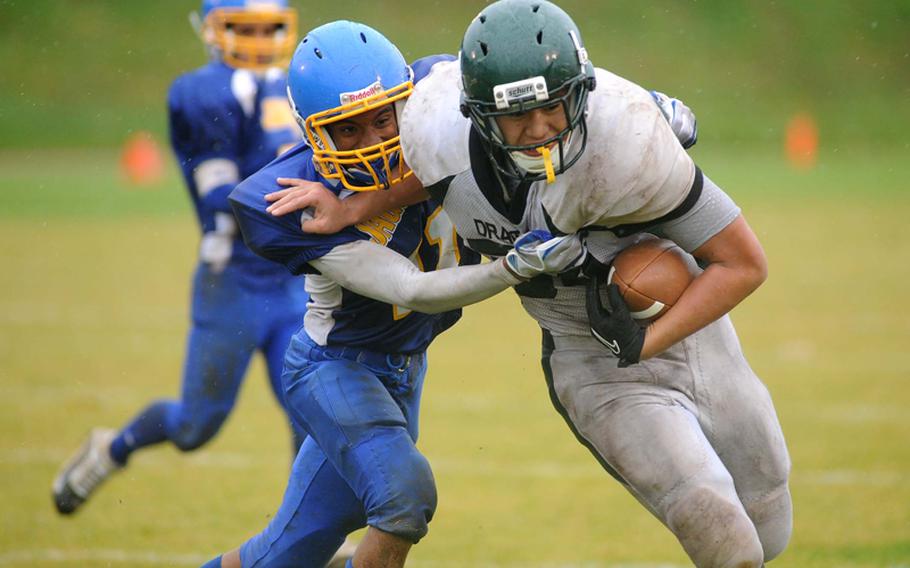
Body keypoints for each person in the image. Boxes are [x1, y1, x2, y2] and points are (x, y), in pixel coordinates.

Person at [397, 1, 793, 566]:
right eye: (517, 116)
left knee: (768, 508)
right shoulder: (435, 131)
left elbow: (743, 263)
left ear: (580, 92)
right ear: (478, 117)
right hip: (589, 358)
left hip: (690, 327)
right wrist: (348, 209)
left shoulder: (629, 139)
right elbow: (423, 179)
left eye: (553, 107)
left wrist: (645, 340)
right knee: (717, 525)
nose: (539, 131)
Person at [200, 21, 585, 568]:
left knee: (285, 554)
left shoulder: (439, 99)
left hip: (404, 368)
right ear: (313, 135)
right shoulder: (290, 201)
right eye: (347, 131)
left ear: (407, 102)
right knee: (406, 497)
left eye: (384, 119)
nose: (373, 141)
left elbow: (529, 83)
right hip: (334, 369)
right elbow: (411, 288)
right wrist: (514, 267)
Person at [53, 0, 309, 517]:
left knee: (310, 408)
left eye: (269, 27)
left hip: (291, 280)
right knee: (196, 426)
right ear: (214, 31)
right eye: (244, 27)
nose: (259, 37)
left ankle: (309, 533)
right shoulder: (202, 92)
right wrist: (298, 193)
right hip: (232, 282)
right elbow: (222, 196)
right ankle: (113, 447)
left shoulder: (303, 80)